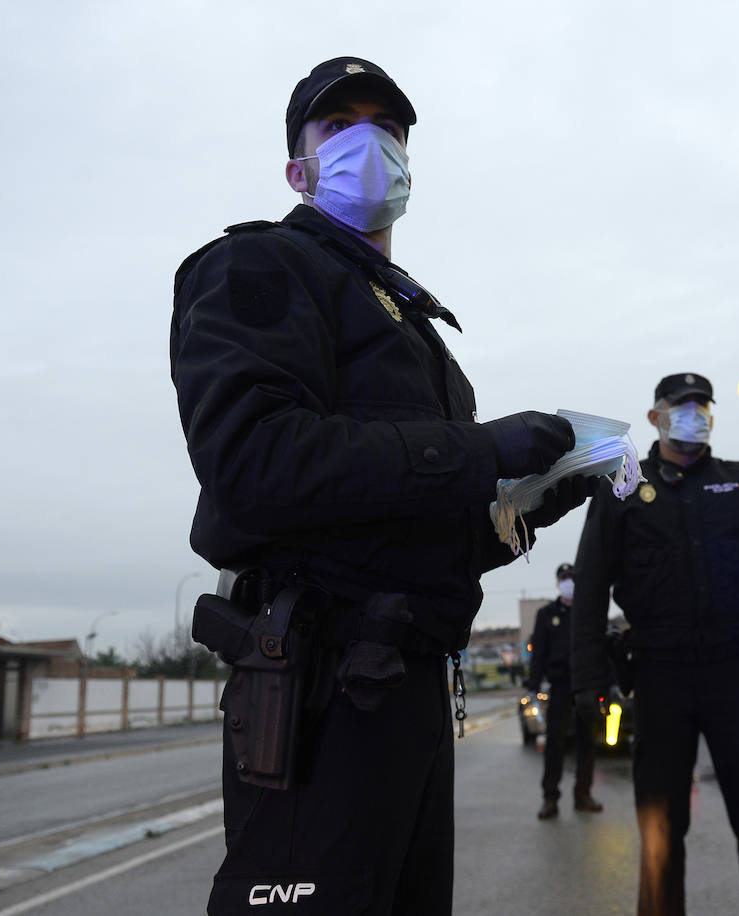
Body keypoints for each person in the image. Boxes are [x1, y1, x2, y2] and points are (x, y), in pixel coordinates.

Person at [171, 57, 593, 915]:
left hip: (408, 688)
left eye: (389, 128)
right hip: (318, 687)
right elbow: (254, 465)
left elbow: (431, 529)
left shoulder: (421, 332)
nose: (371, 141)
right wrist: (478, 448)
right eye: (339, 125)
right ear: (300, 167)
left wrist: (541, 493)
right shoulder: (258, 266)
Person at [571, 372, 739, 916]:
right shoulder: (623, 485)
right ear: (656, 417)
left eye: (703, 405)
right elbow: (592, 583)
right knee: (661, 832)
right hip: (660, 677)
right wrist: (588, 684)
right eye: (681, 405)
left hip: (733, 676)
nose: (695, 413)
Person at [525, 562, 602, 819]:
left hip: (584, 686)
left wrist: (607, 681)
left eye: (572, 577)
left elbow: (597, 648)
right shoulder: (546, 614)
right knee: (555, 743)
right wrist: (533, 686)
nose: (569, 581)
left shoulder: (586, 612)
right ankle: (550, 798)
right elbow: (539, 654)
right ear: (559, 582)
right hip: (558, 685)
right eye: (565, 577)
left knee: (586, 742)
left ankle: (583, 794)